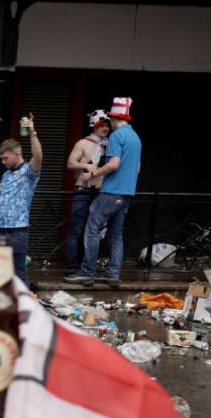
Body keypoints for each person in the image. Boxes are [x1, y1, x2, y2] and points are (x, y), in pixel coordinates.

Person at [65, 96, 142, 289]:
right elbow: (137, 168)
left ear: (114, 118)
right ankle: (113, 275)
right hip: (127, 193)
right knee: (116, 234)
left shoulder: (117, 137)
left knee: (91, 229)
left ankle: (86, 273)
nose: (108, 127)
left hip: (111, 191)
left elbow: (113, 164)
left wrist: (94, 172)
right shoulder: (135, 138)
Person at [0, 115, 43, 288]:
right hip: (1, 228)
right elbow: (4, 200)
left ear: (17, 154)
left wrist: (32, 133)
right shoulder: (6, 175)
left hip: (18, 230)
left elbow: (39, 157)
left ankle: (24, 307)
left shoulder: (29, 172)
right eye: (1, 158)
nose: (3, 162)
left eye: (6, 158)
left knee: (18, 271)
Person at [63, 109, 110, 275]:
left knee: (95, 230)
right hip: (83, 189)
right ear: (94, 126)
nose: (105, 129)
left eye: (107, 126)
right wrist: (85, 165)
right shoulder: (83, 143)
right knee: (77, 228)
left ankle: (87, 265)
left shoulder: (110, 145)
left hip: (101, 190)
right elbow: (70, 163)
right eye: (101, 125)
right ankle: (71, 265)